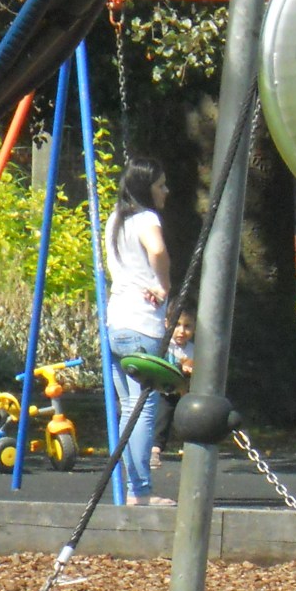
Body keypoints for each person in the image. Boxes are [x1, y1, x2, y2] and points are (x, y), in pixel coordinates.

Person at [104, 157, 175, 506]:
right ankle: (140, 490)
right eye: (160, 185)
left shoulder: (116, 219)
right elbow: (157, 250)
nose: (166, 191)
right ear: (146, 189)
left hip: (116, 322)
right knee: (144, 408)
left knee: (129, 407)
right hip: (142, 324)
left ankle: (131, 488)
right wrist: (164, 285)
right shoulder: (146, 218)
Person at [150, 296, 196, 470]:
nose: (181, 331)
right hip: (165, 391)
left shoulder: (193, 349)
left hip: (183, 392)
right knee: (161, 419)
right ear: (167, 324)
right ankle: (155, 449)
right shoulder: (164, 345)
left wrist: (191, 369)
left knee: (189, 419)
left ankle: (190, 447)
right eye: (177, 325)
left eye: (187, 326)